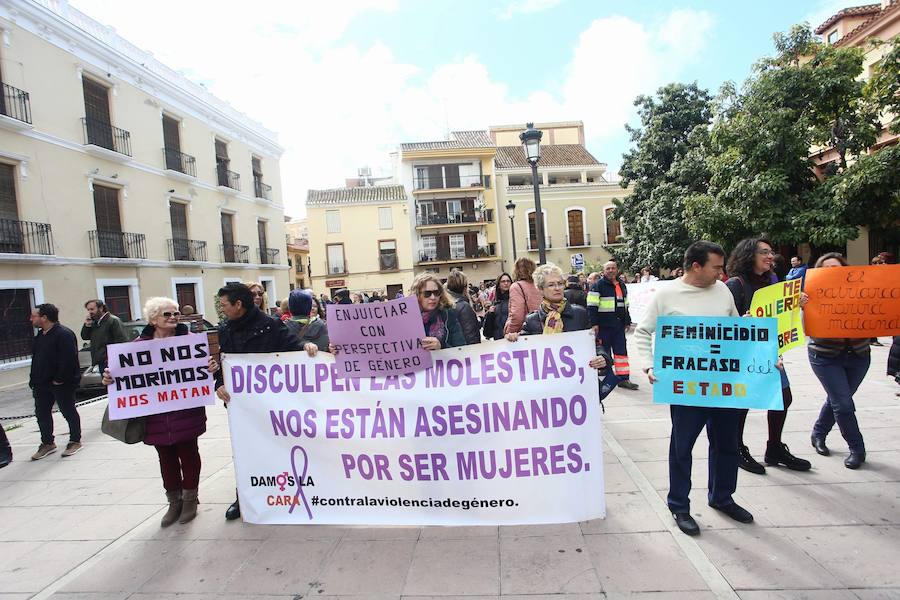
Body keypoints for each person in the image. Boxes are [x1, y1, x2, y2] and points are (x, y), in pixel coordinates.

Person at [634, 241, 753, 536]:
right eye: (716, 266)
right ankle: (679, 505)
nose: (721, 272)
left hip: (723, 386)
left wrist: (761, 355)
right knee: (682, 448)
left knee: (727, 444)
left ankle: (722, 497)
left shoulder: (723, 291)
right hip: (686, 389)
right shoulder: (667, 294)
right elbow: (643, 331)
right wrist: (649, 366)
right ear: (696, 266)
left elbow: (736, 330)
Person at [101, 297, 218, 526]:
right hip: (154, 415)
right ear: (153, 319)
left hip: (185, 411)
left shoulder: (192, 342)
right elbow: (119, 373)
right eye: (167, 314)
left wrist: (211, 368)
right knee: (165, 458)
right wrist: (109, 378)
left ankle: (190, 499)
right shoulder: (136, 347)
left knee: (189, 454)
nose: (173, 317)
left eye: (175, 313)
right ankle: (174, 502)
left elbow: (206, 369)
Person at [215, 283, 303, 520]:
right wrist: (218, 384)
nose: (221, 309)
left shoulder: (270, 325)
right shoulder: (223, 329)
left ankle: (283, 493)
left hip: (270, 404)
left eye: (224, 305)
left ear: (238, 305)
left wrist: (310, 349)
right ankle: (243, 497)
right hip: (240, 405)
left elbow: (294, 348)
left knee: (275, 448)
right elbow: (219, 362)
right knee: (243, 450)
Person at [725, 238, 810, 474]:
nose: (770, 256)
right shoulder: (736, 284)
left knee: (783, 397)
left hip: (771, 352)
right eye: (764, 252)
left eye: (771, 252)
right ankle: (737, 448)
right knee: (744, 401)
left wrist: (796, 302)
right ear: (748, 255)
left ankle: (774, 448)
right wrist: (743, 320)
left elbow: (780, 313)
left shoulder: (773, 281)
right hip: (746, 354)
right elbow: (726, 323)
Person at [808, 253, 871, 470]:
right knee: (843, 403)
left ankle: (818, 433)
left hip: (859, 355)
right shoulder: (810, 292)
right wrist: (800, 304)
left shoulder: (862, 291)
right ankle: (857, 448)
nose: (832, 271)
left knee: (838, 400)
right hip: (825, 355)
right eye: (827, 268)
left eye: (837, 267)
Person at [505, 263, 607, 372]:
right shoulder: (532, 320)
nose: (557, 288)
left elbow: (593, 344)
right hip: (548, 383)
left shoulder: (580, 314)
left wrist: (602, 357)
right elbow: (522, 353)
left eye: (560, 283)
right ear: (540, 289)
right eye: (551, 285)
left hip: (577, 382)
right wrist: (513, 339)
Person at [29, 303, 82, 460]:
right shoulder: (40, 335)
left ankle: (75, 440)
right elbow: (36, 359)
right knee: (42, 413)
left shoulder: (64, 334)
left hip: (61, 383)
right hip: (41, 383)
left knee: (68, 411)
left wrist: (59, 379)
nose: (31, 319)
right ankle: (47, 443)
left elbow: (68, 359)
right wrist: (33, 379)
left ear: (44, 317)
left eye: (34, 316)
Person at [588, 261, 639, 391]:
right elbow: (592, 306)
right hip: (603, 326)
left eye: (613, 268)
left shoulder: (621, 285)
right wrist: (594, 323)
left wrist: (627, 321)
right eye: (608, 268)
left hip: (618, 326)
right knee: (604, 353)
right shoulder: (598, 286)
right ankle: (606, 378)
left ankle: (623, 379)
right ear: (603, 271)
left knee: (621, 353)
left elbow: (625, 305)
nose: (611, 270)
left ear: (617, 270)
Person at [410, 273, 466, 350]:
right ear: (417, 295)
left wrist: (441, 347)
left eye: (436, 293)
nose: (433, 297)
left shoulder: (448, 315)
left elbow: (461, 349)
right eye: (427, 293)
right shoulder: (407, 318)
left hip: (445, 361)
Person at [81, 299, 129, 374]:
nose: (90, 312)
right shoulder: (94, 322)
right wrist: (87, 325)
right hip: (100, 362)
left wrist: (114, 359)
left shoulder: (113, 321)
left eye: (92, 309)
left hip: (111, 362)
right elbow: (85, 337)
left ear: (101, 308)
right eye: (88, 310)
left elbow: (122, 341)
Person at [504, 257, 543, 334]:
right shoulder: (539, 285)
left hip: (526, 331)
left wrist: (509, 332)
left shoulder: (516, 286)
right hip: (544, 327)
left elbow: (517, 315)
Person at [446, 270, 481, 345]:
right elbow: (471, 336)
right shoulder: (464, 306)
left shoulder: (445, 303)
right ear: (464, 287)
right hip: (464, 351)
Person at [482, 272, 512, 340]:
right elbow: (487, 333)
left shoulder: (515, 301)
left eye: (508, 281)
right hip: (499, 342)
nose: (506, 283)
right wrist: (490, 314)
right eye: (503, 281)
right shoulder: (494, 304)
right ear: (499, 284)